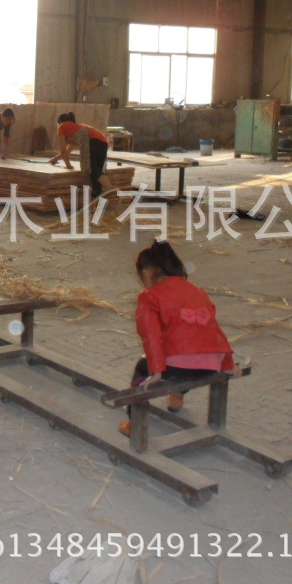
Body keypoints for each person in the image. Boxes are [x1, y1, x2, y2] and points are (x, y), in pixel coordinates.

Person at [119, 239, 239, 437]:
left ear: (147, 274)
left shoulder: (150, 296)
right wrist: (228, 364)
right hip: (209, 367)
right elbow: (214, 329)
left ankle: (135, 423)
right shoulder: (197, 291)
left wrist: (156, 372)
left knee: (143, 367)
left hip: (178, 370)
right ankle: (176, 398)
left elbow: (151, 337)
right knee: (186, 354)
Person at [48, 112, 109, 197]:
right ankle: (97, 193)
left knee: (90, 168)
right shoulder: (76, 129)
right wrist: (54, 159)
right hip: (103, 142)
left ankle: (110, 188)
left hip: (93, 141)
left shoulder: (63, 126)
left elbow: (63, 149)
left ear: (61, 122)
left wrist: (68, 165)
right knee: (96, 169)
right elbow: (67, 151)